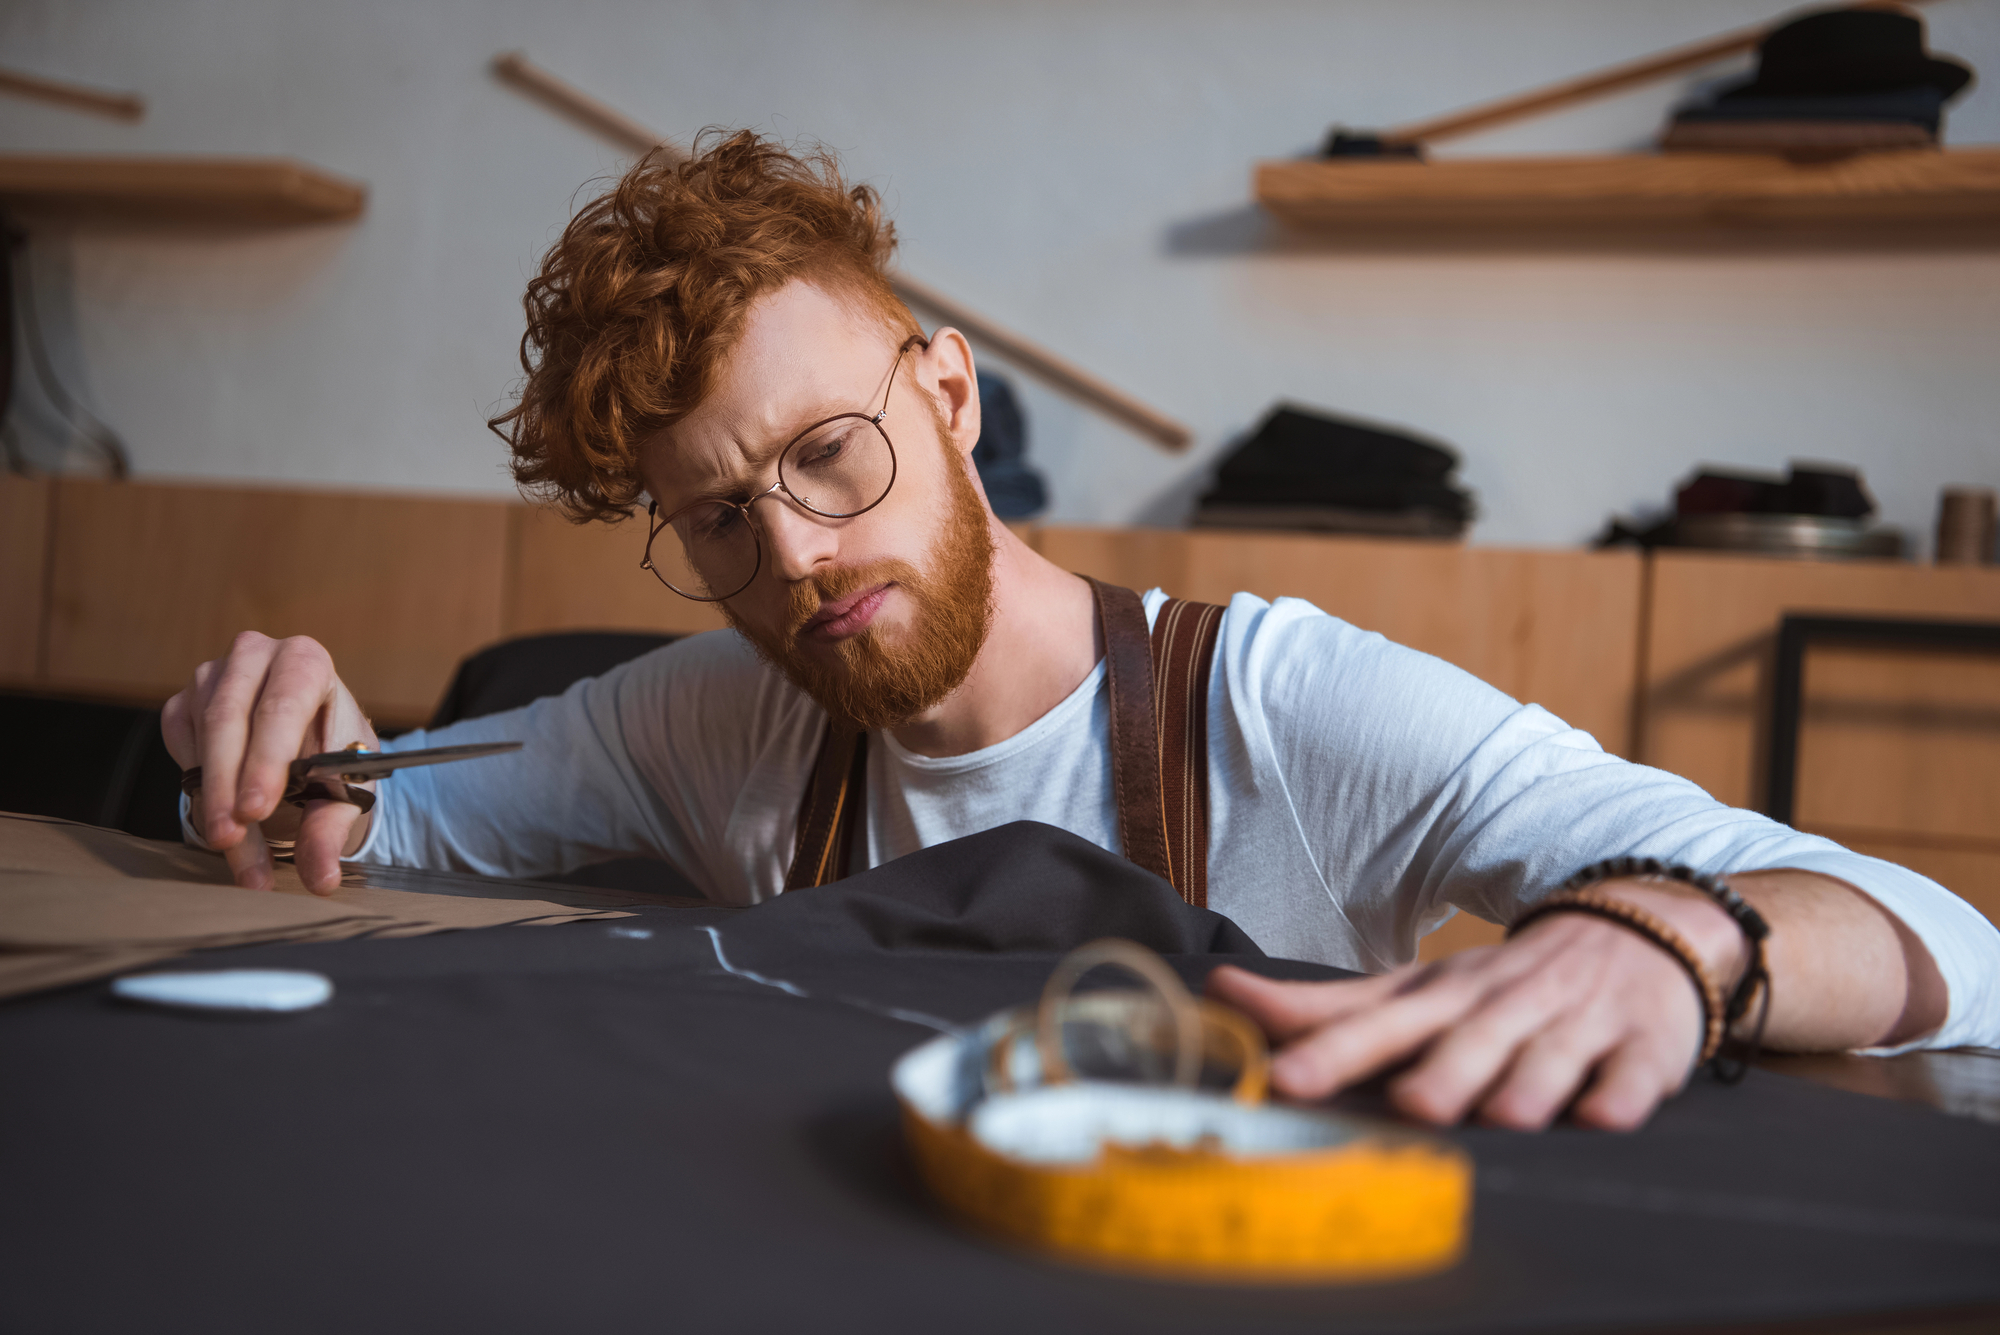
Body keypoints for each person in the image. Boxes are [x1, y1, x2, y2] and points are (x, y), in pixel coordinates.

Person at [163, 132, 1997, 1132]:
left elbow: (1954, 953)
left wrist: (1674, 938)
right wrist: (288, 741)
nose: (794, 556)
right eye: (721, 522)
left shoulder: (1289, 707)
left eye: (830, 455)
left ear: (949, 393)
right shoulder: (706, 718)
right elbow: (344, 821)